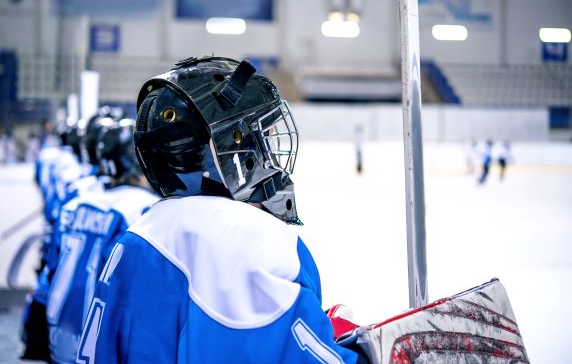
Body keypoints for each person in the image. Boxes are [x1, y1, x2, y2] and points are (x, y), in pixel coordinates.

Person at [77, 57, 363, 363]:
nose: (265, 153)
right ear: (228, 144)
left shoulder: (142, 232)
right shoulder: (243, 239)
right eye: (256, 138)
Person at [46, 118, 159, 364]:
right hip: (98, 341)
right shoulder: (141, 209)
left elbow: (51, 267)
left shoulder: (79, 201)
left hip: (60, 335)